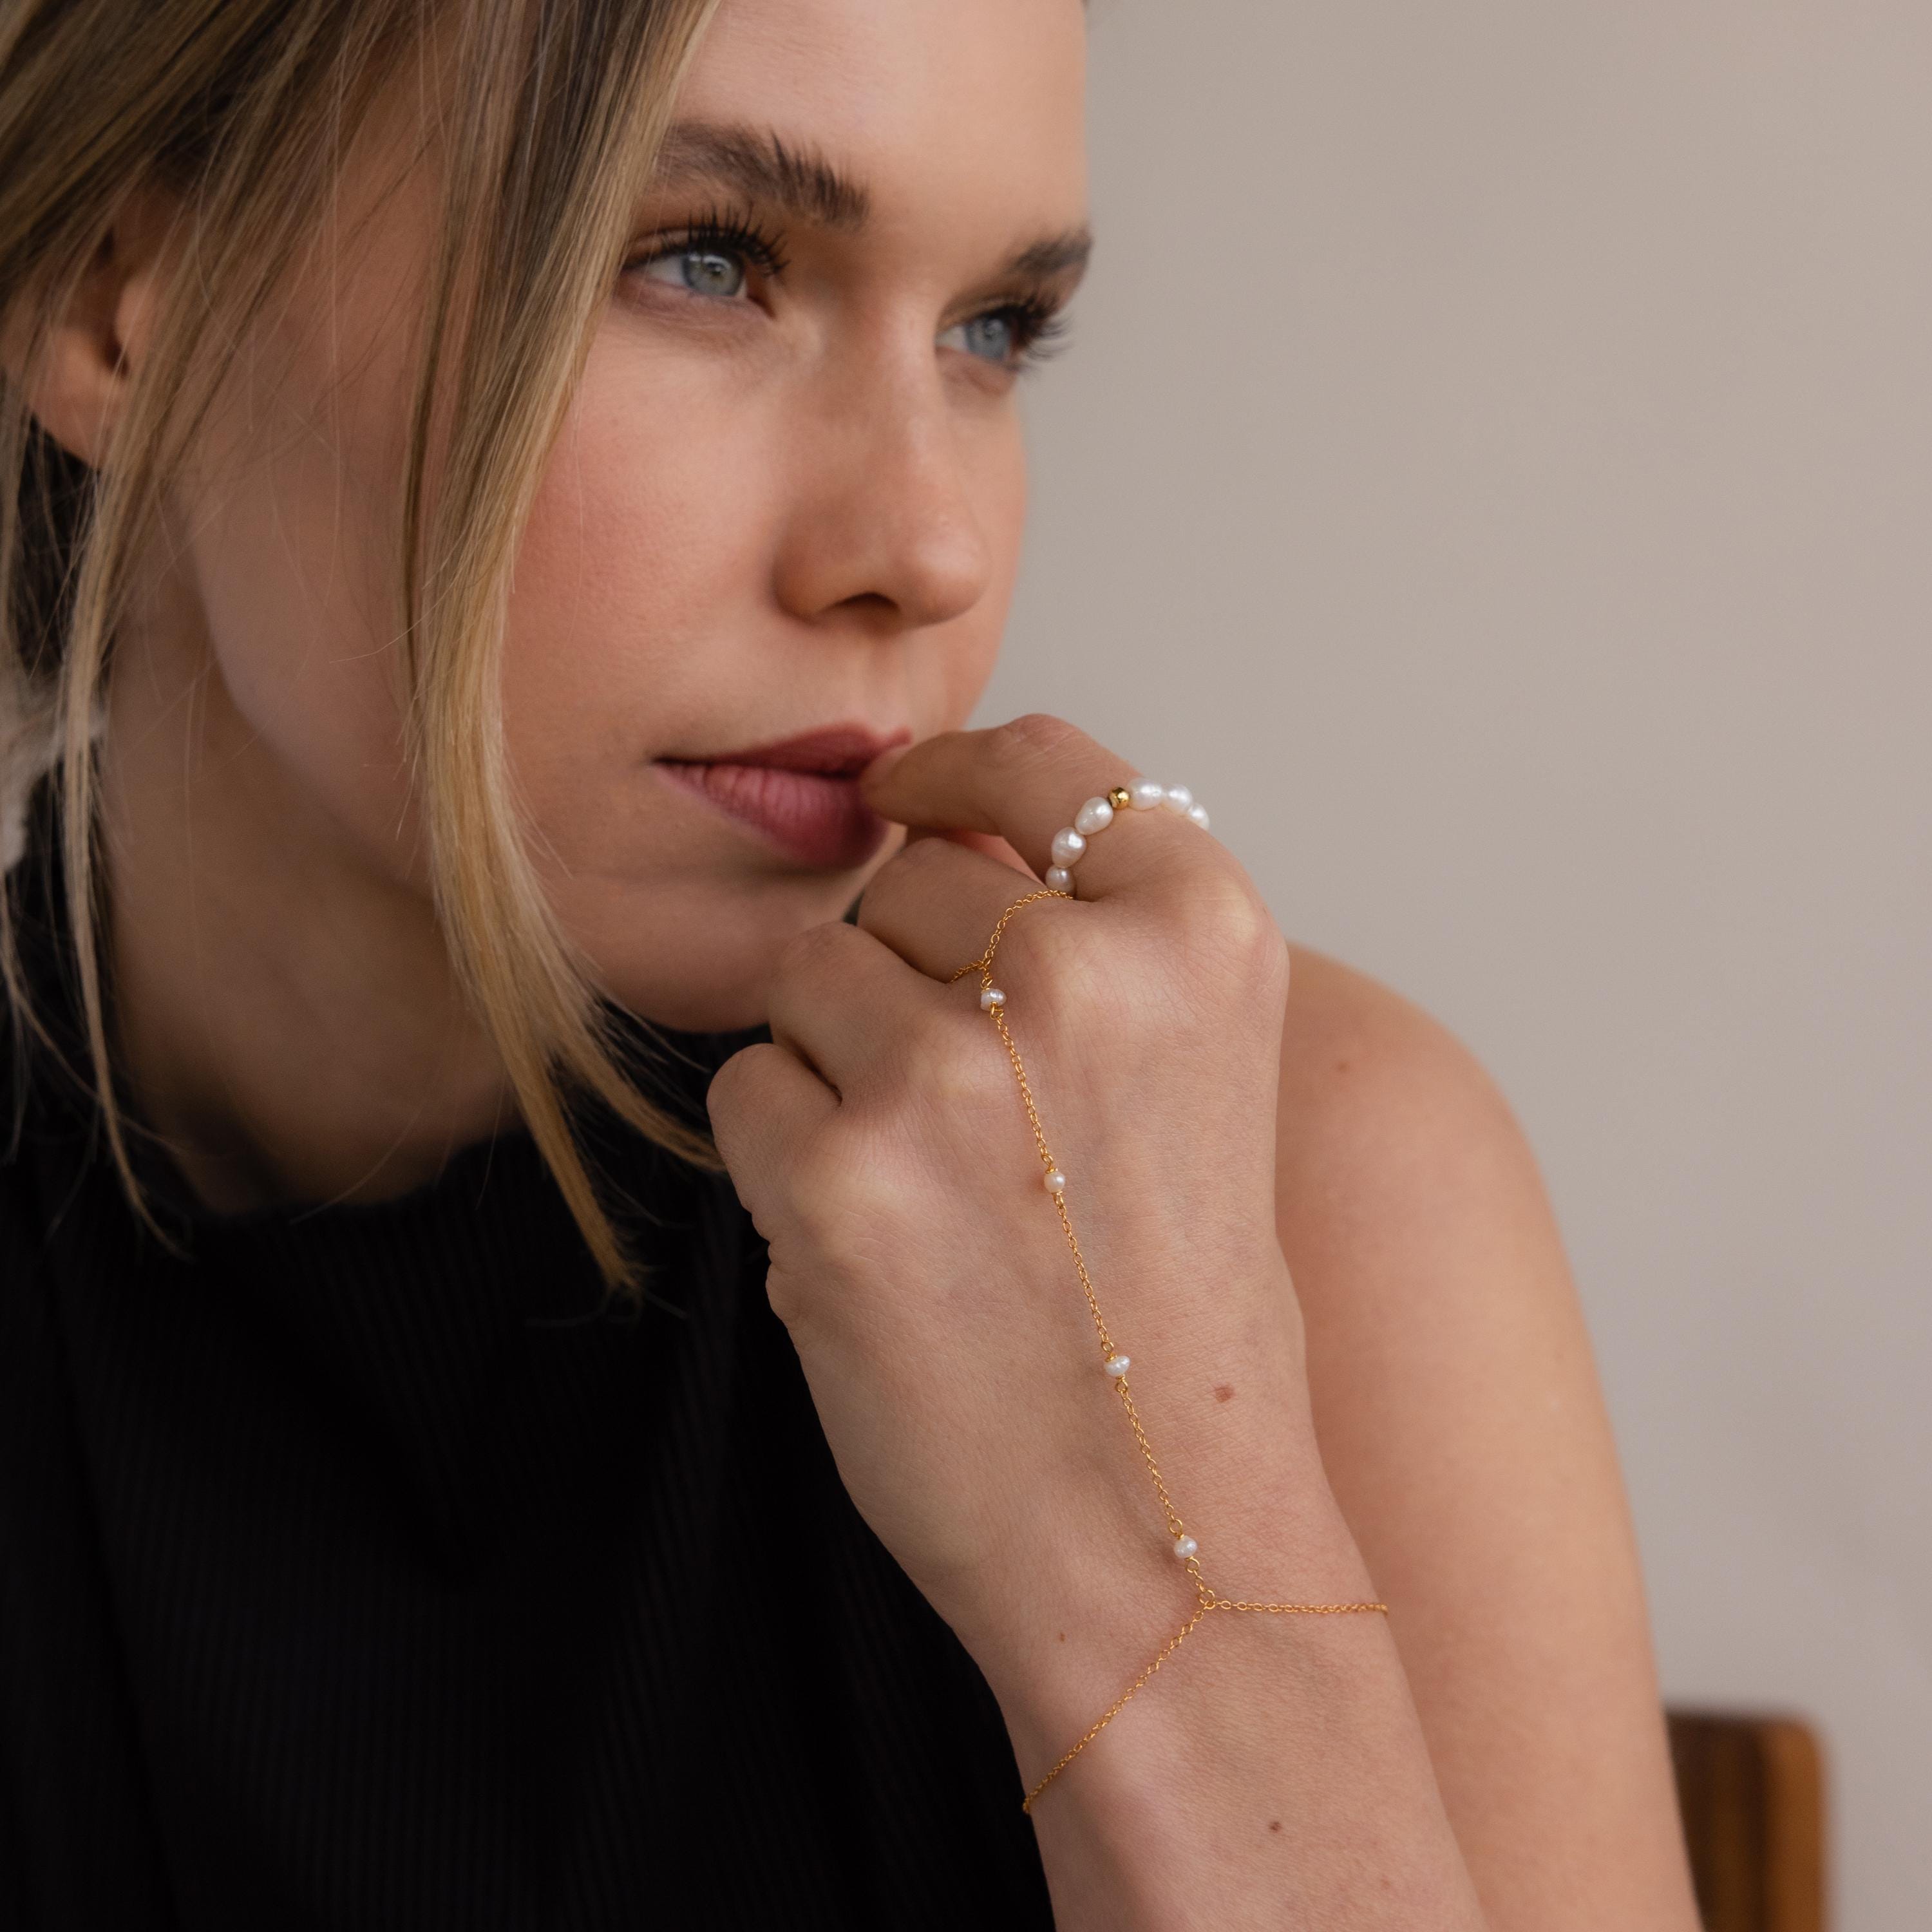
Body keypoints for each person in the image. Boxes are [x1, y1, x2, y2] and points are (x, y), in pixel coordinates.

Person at [0, 1, 1703, 1926]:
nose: (926, 544)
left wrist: (1153, 1572)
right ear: (119, 298)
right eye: (704, 262)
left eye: (997, 331)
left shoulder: (1288, 1191)